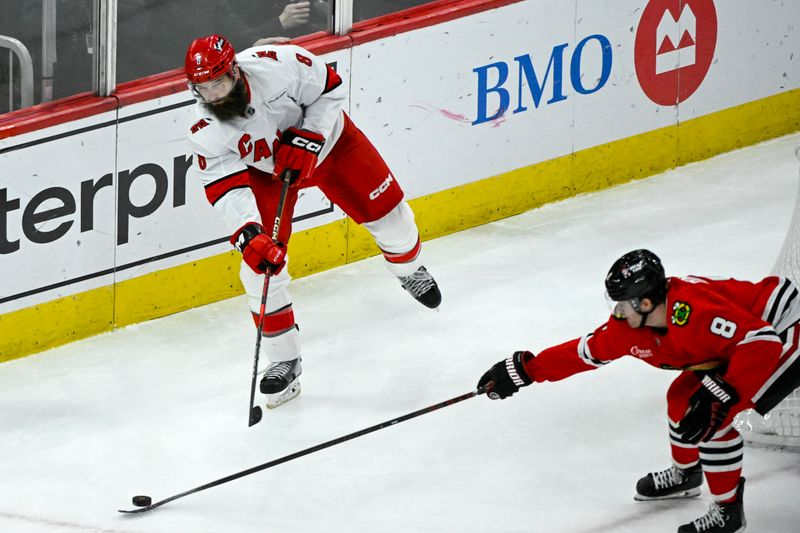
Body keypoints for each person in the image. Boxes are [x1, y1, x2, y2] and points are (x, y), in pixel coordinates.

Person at [184, 35, 441, 409]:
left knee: (394, 220)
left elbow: (330, 88)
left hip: (334, 146)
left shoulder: (278, 64)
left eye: (218, 84)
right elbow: (222, 183)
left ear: (235, 72)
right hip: (268, 173)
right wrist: (248, 234)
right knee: (260, 269)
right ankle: (284, 360)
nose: (214, 95)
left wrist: (311, 137)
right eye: (203, 89)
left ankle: (410, 269)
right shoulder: (203, 127)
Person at [478, 249, 800, 533]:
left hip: (784, 330)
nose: (617, 313)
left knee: (713, 417)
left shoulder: (693, 311)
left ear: (645, 302)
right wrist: (524, 370)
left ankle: (728, 511)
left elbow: (762, 342)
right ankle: (686, 474)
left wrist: (721, 394)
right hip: (742, 343)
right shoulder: (629, 327)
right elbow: (583, 353)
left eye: (622, 305)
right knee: (682, 400)